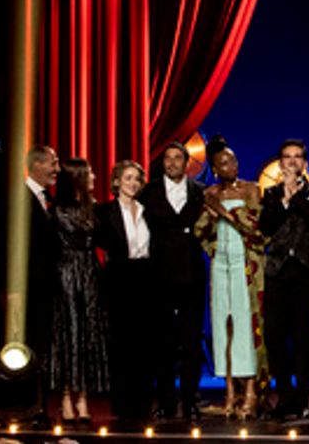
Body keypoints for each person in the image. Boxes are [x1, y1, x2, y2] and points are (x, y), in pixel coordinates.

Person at [258, 138, 309, 421]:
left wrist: (296, 197)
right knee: (275, 338)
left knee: (302, 339)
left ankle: (301, 399)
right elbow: (266, 226)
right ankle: (285, 397)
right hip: (277, 272)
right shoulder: (272, 194)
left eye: (297, 156)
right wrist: (285, 199)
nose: (291, 161)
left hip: (305, 273)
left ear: (304, 163)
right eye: (287, 157)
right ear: (280, 162)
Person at [196, 143, 267, 420]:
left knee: (244, 325)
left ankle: (250, 392)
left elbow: (255, 226)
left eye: (234, 160)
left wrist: (225, 213)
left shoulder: (250, 189)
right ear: (214, 168)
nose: (231, 166)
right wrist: (211, 219)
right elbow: (201, 231)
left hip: (244, 264)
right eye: (224, 163)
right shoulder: (210, 193)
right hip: (220, 263)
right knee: (222, 326)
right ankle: (229, 393)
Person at [138, 142, 208, 422]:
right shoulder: (149, 192)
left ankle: (191, 400)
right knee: (163, 344)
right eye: (167, 158)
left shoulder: (201, 193)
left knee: (191, 343)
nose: (172, 163)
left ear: (186, 162)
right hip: (160, 276)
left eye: (177, 158)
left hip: (192, 275)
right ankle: (166, 401)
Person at [50, 157, 109, 425]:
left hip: (89, 271)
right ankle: (65, 396)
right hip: (67, 271)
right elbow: (77, 233)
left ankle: (83, 397)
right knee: (69, 333)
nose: (94, 178)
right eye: (89, 174)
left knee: (87, 332)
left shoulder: (94, 207)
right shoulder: (59, 210)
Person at [96, 160, 156, 425]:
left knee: (144, 343)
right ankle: (123, 402)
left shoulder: (147, 211)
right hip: (119, 279)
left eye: (137, 179)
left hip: (145, 278)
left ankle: (143, 402)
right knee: (121, 343)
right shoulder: (104, 212)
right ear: (117, 181)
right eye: (128, 178)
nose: (133, 183)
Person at [23, 145, 60, 427]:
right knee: (28, 345)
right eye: (52, 163)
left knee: (42, 345)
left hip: (45, 286)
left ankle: (38, 405)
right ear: (36, 165)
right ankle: (25, 404)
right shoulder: (20, 198)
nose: (56, 169)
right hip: (26, 288)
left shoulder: (47, 198)